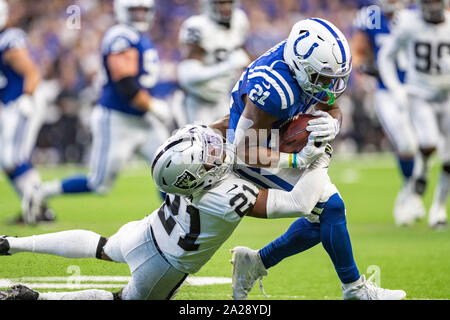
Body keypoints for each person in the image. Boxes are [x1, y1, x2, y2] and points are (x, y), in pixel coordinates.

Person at [0, 125, 405, 300]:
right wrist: (318, 161)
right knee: (122, 296)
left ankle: (11, 243)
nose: (216, 151)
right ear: (198, 177)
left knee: (104, 247)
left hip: (147, 232)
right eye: (208, 157)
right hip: (166, 266)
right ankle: (39, 295)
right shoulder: (226, 196)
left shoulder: (185, 177)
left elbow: (216, 134)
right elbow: (298, 204)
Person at [225, 18, 406, 300]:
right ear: (301, 67)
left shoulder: (309, 68)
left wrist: (332, 124)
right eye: (324, 78)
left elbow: (331, 106)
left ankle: (257, 263)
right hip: (253, 151)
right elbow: (244, 150)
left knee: (329, 213)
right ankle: (354, 290)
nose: (330, 86)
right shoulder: (275, 87)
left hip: (275, 140)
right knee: (330, 208)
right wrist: (296, 160)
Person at [21, 0, 171, 224]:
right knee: (99, 183)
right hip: (117, 119)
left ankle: (174, 218)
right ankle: (40, 191)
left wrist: (149, 108)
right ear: (122, 11)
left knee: (167, 167)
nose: (140, 15)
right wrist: (152, 105)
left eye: (143, 10)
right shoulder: (121, 36)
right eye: (134, 10)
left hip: (142, 118)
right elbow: (126, 83)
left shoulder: (140, 36)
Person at [378, 0, 450, 229]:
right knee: (428, 142)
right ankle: (421, 173)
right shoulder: (409, 24)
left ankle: (438, 209)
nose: (431, 6)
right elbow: (385, 56)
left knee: (448, 157)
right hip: (419, 93)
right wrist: (395, 88)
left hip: (447, 95)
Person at [351, 0, 424, 226]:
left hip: (419, 89)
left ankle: (412, 194)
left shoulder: (417, 12)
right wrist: (366, 67)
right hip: (388, 92)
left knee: (424, 143)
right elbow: (358, 53)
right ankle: (409, 193)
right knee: (405, 144)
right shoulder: (370, 16)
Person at [0, 0, 54, 222]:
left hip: (23, 101)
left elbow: (32, 71)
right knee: (7, 159)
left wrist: (27, 97)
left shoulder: (9, 39)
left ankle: (39, 208)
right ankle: (35, 206)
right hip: (13, 103)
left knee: (14, 157)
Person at [177, 0, 250, 126]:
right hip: (197, 101)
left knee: (231, 142)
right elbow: (187, 76)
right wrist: (227, 66)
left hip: (222, 98)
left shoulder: (239, 20)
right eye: (220, 3)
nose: (226, 7)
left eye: (229, 3)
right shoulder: (198, 26)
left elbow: (241, 56)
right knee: (200, 142)